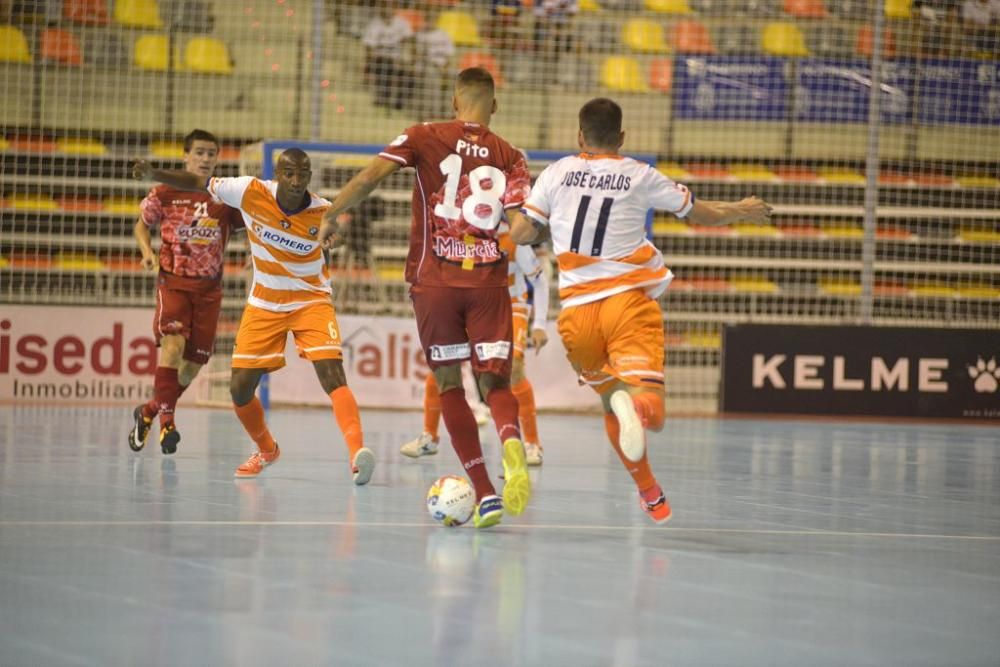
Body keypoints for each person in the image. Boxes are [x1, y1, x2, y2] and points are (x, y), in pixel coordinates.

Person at [508, 98, 772, 523]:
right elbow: (698, 212)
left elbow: (520, 232)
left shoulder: (556, 172)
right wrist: (740, 210)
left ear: (580, 136)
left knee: (612, 399)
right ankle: (640, 413)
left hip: (577, 315)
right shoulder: (639, 175)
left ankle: (650, 492)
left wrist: (520, 212)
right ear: (622, 137)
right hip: (627, 303)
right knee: (651, 408)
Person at [318, 67, 533, 529]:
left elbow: (371, 177)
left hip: (434, 280)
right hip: (489, 281)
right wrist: (527, 232)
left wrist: (332, 214)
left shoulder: (424, 134)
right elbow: (521, 223)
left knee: (449, 383)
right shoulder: (511, 156)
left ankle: (486, 493)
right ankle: (511, 439)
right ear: (493, 106)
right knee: (495, 384)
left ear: (455, 101)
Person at [131, 149, 375, 484]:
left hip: (311, 301)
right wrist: (156, 174)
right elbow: (198, 182)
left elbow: (336, 231)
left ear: (309, 177)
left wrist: (334, 236)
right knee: (239, 389)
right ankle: (267, 450)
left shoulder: (322, 210)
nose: (296, 180)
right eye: (288, 173)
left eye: (302, 173)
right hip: (264, 303)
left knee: (331, 373)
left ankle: (357, 455)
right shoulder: (249, 190)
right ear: (277, 174)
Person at [128, 129, 243, 455]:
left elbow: (251, 226)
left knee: (193, 366)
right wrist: (146, 252)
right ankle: (168, 425)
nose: (206, 159)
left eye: (212, 153)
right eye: (200, 152)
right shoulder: (164, 192)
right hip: (174, 283)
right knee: (173, 347)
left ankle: (149, 411)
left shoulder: (225, 197)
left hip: (209, 291)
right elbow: (140, 224)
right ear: (185, 155)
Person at [401, 225, 550, 466]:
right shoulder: (459, 238)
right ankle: (430, 436)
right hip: (474, 305)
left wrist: (540, 324)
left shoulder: (511, 240)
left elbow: (539, 280)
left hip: (512, 305)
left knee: (514, 369)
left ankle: (532, 444)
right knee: (443, 363)